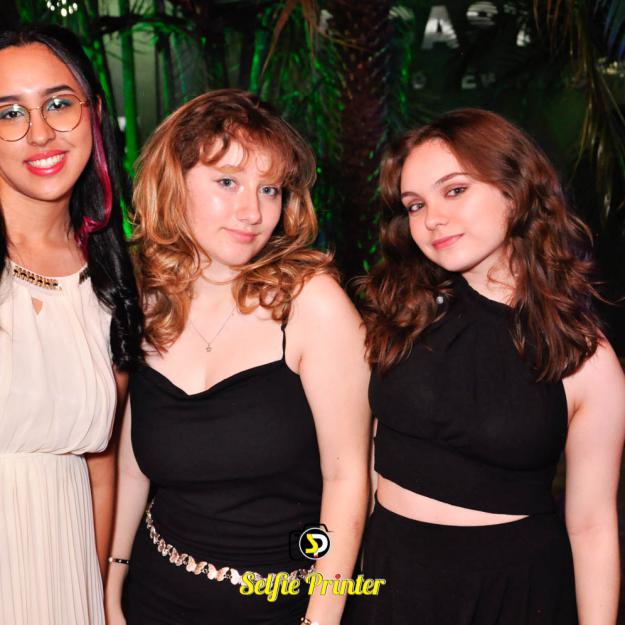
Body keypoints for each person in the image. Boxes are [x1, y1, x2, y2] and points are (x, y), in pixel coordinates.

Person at [348, 109, 625, 625]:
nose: (431, 219)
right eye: (415, 204)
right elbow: (361, 469)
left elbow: (592, 526)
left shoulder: (584, 357)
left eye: (455, 190)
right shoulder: (404, 313)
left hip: (511, 594)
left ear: (515, 190)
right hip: (387, 580)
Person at [105, 89, 370, 625]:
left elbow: (347, 483)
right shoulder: (146, 300)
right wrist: (111, 587)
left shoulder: (313, 305)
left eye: (269, 189)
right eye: (227, 182)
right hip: (155, 596)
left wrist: (320, 618)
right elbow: (132, 469)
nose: (253, 212)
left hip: (282, 604)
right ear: (173, 183)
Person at [0, 24, 143, 625]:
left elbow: (99, 465)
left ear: (95, 113)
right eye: (9, 113)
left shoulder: (112, 277)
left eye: (59, 104)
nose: (39, 133)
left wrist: (99, 595)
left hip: (66, 575)